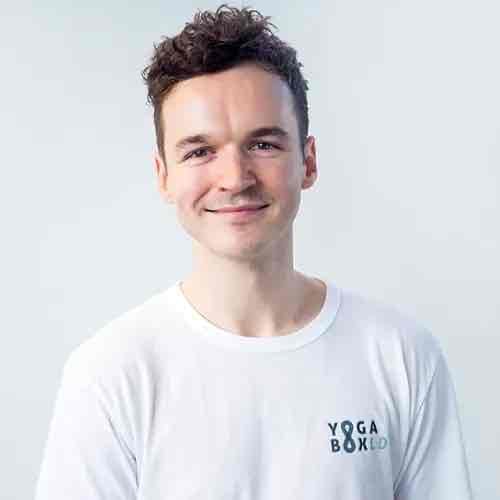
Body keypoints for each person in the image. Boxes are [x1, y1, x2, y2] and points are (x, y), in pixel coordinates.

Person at [35, 4, 474, 499]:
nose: (235, 178)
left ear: (308, 161)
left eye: (263, 144)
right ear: (163, 175)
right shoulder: (111, 374)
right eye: (199, 151)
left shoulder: (400, 356)